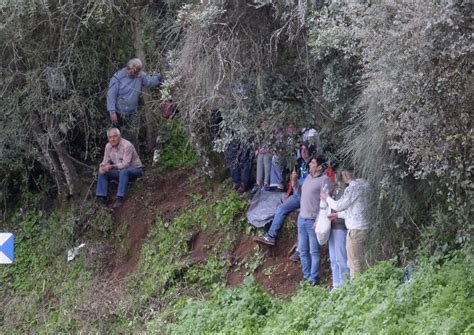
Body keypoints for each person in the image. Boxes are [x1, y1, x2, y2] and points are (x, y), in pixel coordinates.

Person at [253, 143, 314, 246]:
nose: (303, 152)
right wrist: (293, 181)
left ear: (310, 151)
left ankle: (300, 247)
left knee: (303, 218)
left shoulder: (313, 164)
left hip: (308, 197)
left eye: (305, 150)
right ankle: (271, 236)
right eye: (302, 149)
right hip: (296, 195)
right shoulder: (298, 162)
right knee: (281, 208)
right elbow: (294, 181)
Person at [321, 167, 369, 277]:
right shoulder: (366, 185)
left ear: (347, 174)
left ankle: (356, 290)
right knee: (362, 260)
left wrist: (327, 197)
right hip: (364, 228)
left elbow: (338, 206)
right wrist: (337, 215)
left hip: (355, 230)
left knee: (354, 263)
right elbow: (356, 210)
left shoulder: (353, 188)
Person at [106, 58, 162, 144]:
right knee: (117, 138)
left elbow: (149, 82)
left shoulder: (140, 75)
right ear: (128, 69)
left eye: (138, 72)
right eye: (134, 72)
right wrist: (112, 112)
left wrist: (159, 78)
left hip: (132, 113)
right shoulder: (117, 77)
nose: (136, 74)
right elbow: (111, 95)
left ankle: (133, 156)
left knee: (132, 137)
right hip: (118, 113)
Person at [296, 155, 331, 285]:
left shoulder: (324, 180)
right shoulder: (308, 178)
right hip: (302, 218)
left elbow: (325, 202)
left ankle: (313, 278)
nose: (310, 164)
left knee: (314, 251)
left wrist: (318, 219)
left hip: (312, 220)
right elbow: (301, 194)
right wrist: (294, 182)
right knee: (303, 250)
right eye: (310, 162)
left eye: (313, 162)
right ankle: (306, 276)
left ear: (320, 167)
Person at [96, 128, 144, 208]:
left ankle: (120, 198)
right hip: (120, 171)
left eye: (114, 136)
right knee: (103, 172)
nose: (112, 139)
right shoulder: (108, 146)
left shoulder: (127, 145)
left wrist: (111, 166)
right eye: (110, 137)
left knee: (124, 171)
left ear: (119, 136)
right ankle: (102, 197)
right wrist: (103, 166)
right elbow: (105, 160)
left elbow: (125, 164)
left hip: (135, 169)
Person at [328, 172, 350, 289]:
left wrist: (327, 198)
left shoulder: (345, 190)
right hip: (331, 226)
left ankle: (345, 286)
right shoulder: (334, 190)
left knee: (341, 258)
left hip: (340, 227)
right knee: (333, 258)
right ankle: (336, 285)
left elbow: (338, 206)